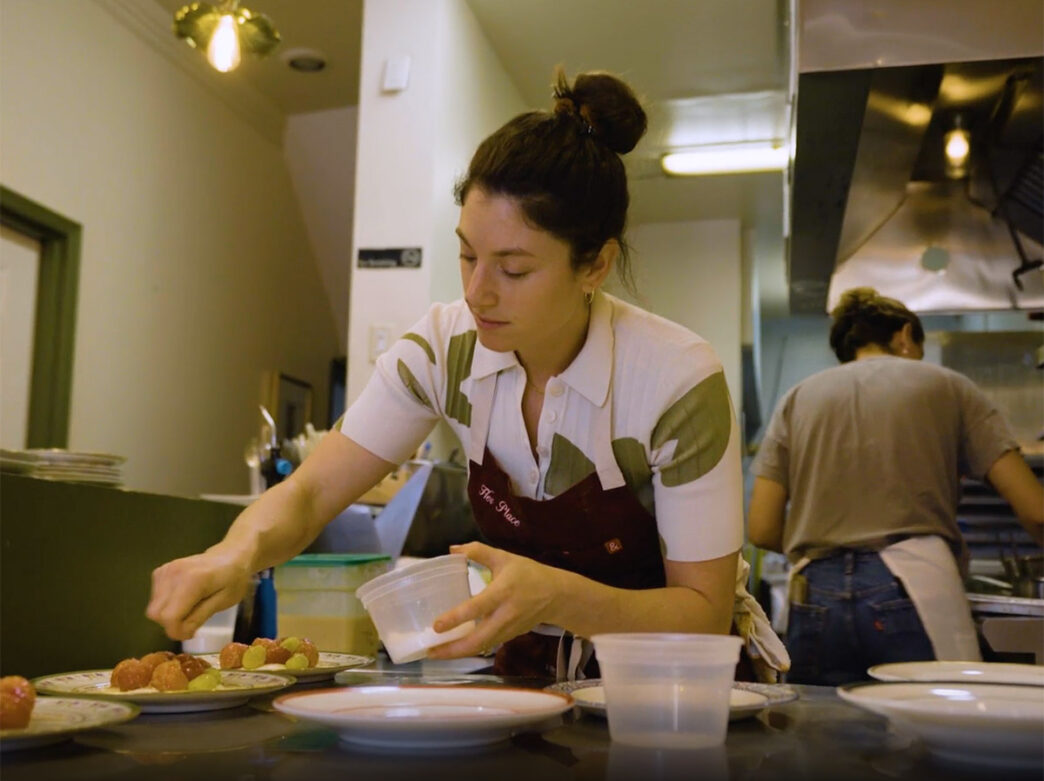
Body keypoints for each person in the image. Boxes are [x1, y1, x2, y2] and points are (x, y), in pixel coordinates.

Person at [147, 69, 787, 681]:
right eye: (467, 254)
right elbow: (311, 494)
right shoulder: (443, 350)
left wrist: (556, 596)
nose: (479, 292)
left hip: (668, 686)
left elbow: (700, 614)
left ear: (594, 266)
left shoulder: (673, 379)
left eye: (513, 270)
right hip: (534, 677)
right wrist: (234, 554)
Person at [748, 287, 1044, 686]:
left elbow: (762, 527)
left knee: (823, 738)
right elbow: (1036, 510)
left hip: (816, 594)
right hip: (914, 585)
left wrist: (831, 546)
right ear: (905, 336)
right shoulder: (948, 386)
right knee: (935, 734)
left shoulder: (798, 398)